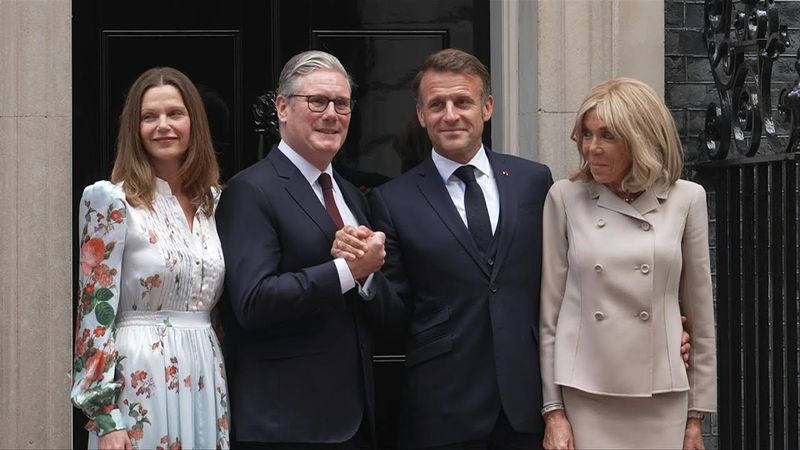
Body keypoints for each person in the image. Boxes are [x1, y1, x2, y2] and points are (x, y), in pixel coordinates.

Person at [335, 48, 551, 449]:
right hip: (441, 411)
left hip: (527, 405)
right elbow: (393, 314)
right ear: (421, 115)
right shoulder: (392, 200)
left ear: (487, 107)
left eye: (463, 102)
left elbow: (564, 282)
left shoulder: (533, 182)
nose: (450, 114)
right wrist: (364, 275)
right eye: (437, 104)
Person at [215, 50, 389, 449]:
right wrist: (349, 272)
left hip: (355, 419)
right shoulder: (250, 191)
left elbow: (382, 310)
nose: (332, 114)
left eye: (342, 103)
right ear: (282, 107)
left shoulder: (352, 196)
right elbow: (254, 301)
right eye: (317, 102)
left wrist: (368, 278)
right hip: (284, 424)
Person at [538, 78, 716, 450]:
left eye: (607, 136)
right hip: (587, 390)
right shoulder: (565, 198)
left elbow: (700, 319)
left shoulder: (686, 199)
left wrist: (696, 417)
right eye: (586, 134)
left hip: (661, 395)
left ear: (640, 138)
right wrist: (553, 411)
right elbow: (550, 317)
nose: (592, 148)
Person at [70, 67, 230, 449]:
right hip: (139, 374)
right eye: (149, 117)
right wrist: (105, 417)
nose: (163, 126)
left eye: (174, 114)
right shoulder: (110, 200)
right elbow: (94, 316)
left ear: (194, 123)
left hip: (205, 370)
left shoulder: (214, 203)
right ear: (134, 129)